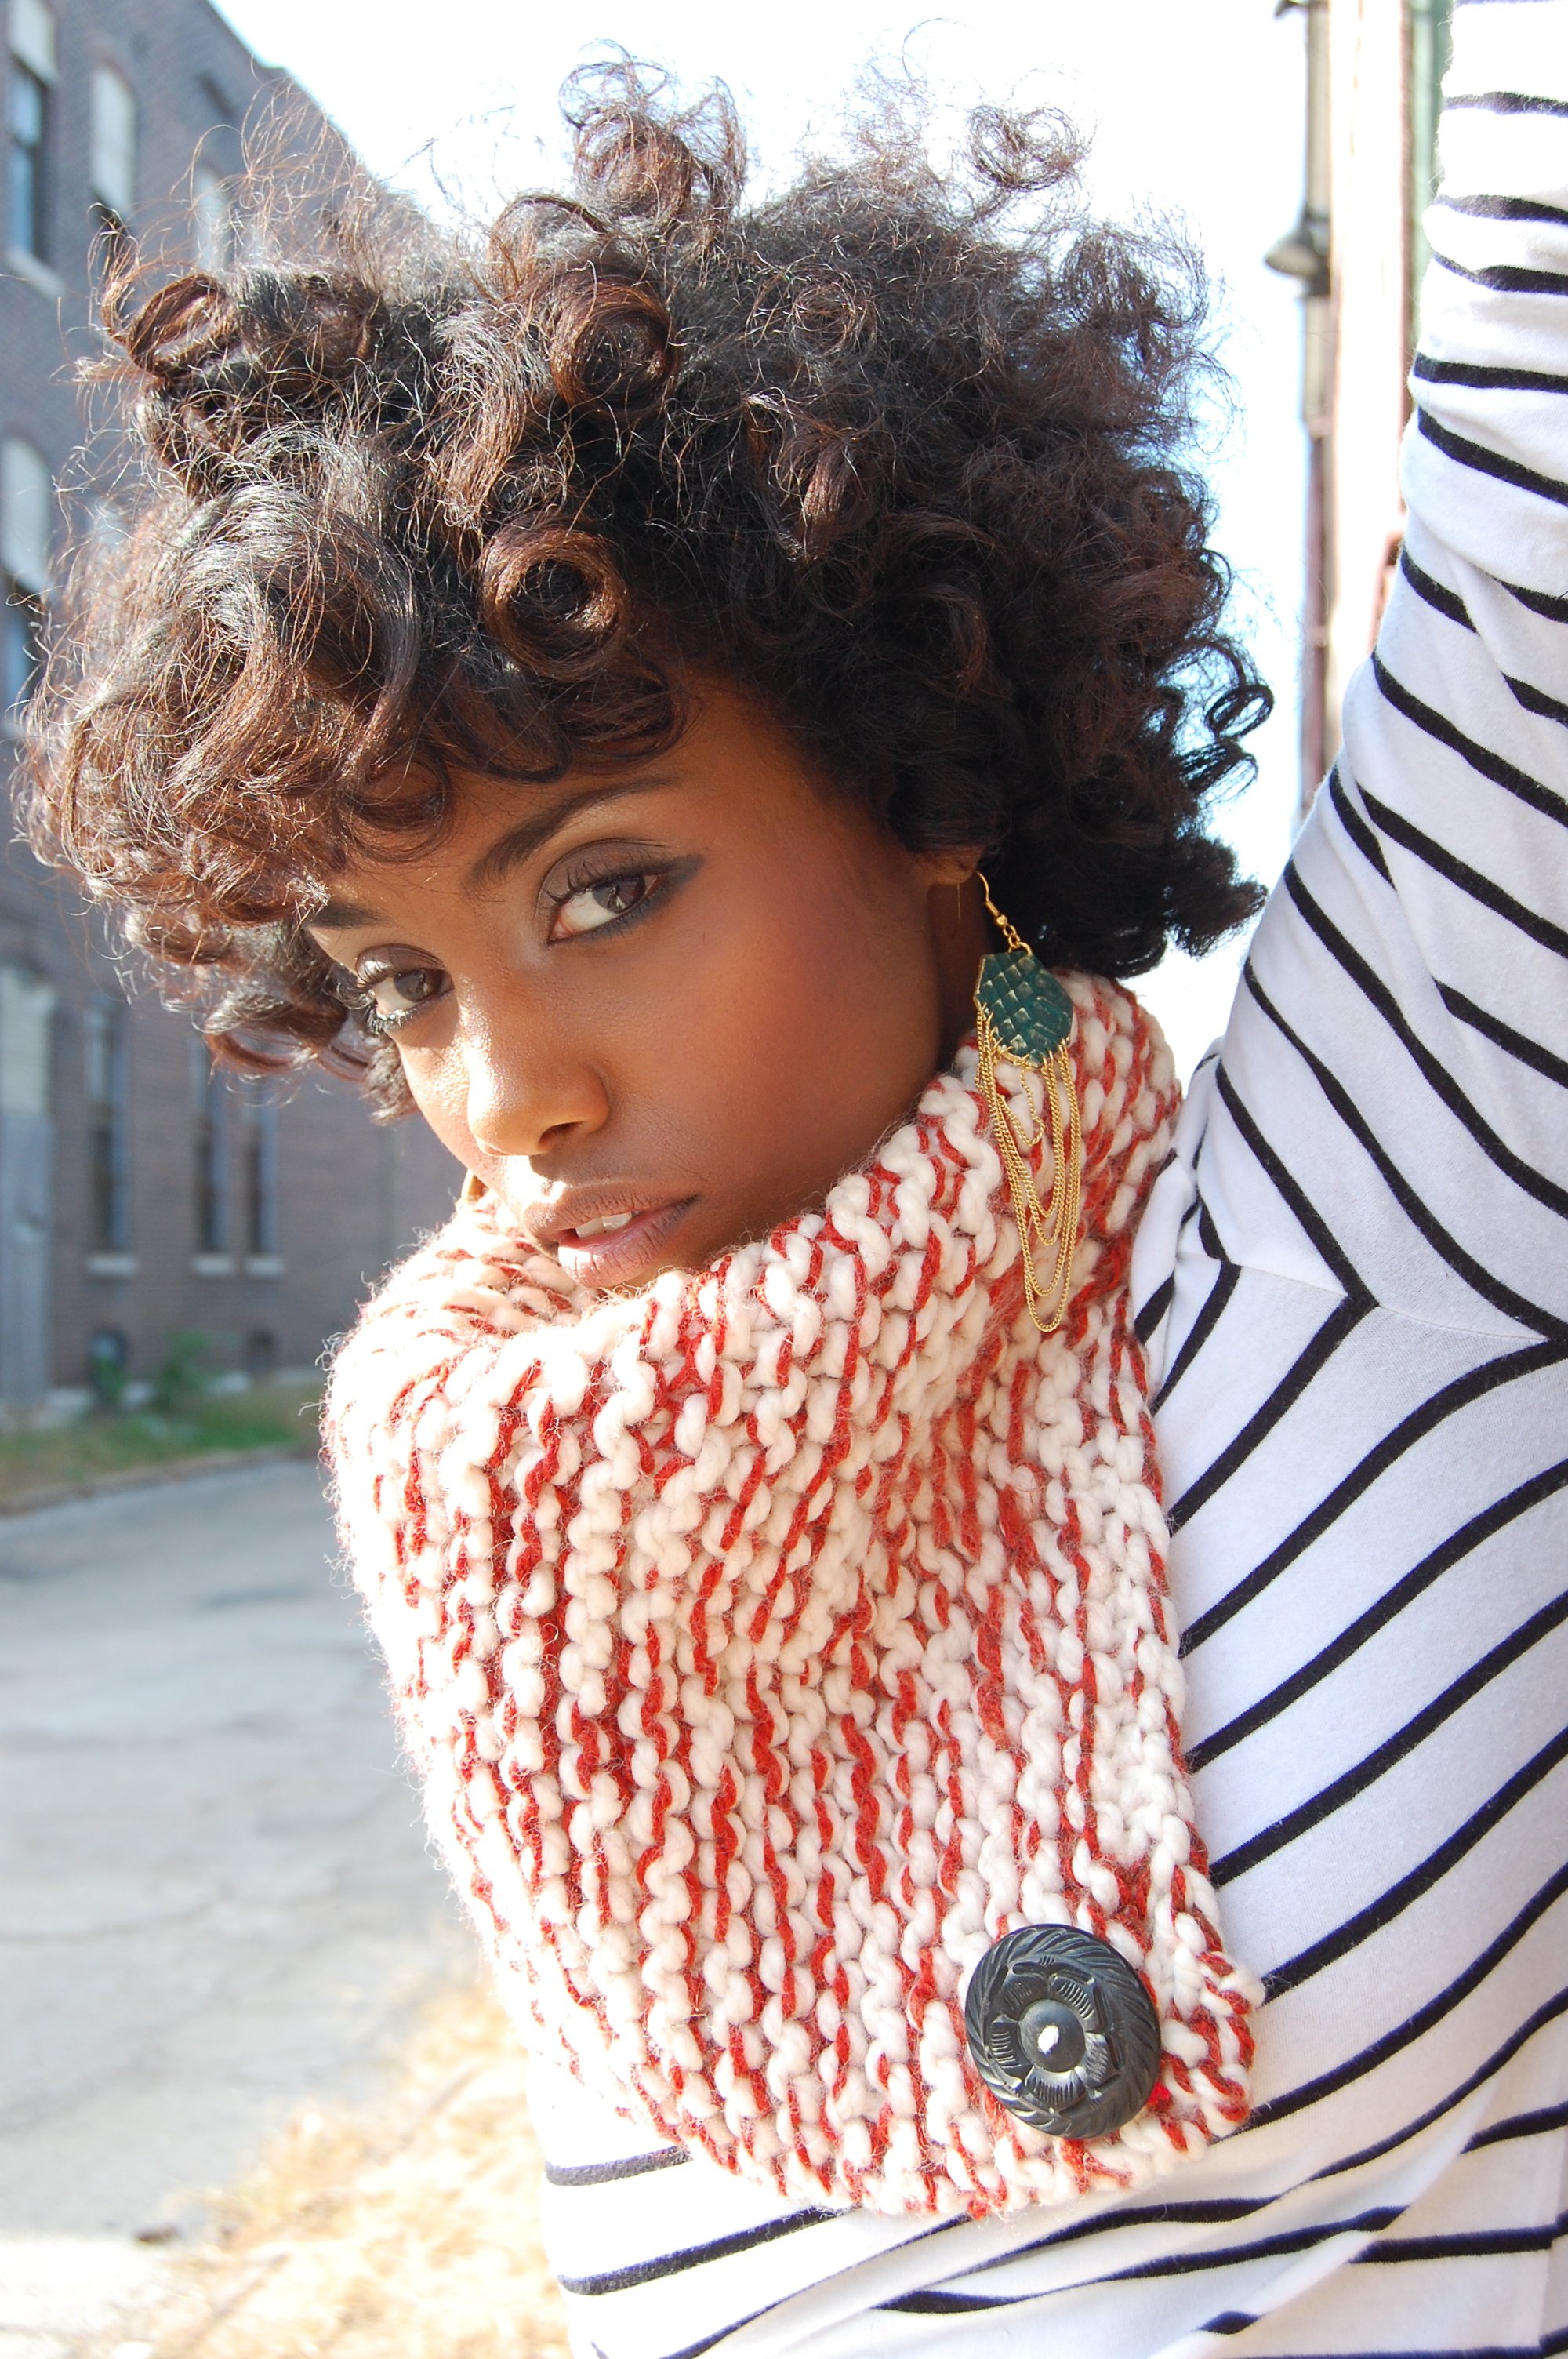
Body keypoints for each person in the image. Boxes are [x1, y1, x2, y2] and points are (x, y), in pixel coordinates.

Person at [23, 2, 1567, 2350]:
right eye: (407, 982)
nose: (505, 1100)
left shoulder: (1373, 1227)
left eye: (608, 890)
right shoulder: (528, 1514)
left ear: (926, 776)